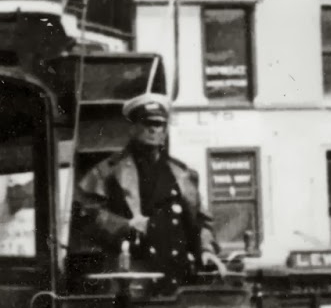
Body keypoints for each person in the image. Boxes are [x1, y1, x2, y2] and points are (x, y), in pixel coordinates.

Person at [69, 93, 224, 284]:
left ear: (165, 131)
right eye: (146, 123)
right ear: (132, 129)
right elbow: (87, 217)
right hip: (132, 275)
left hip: (180, 277)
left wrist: (206, 250)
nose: (152, 130)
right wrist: (126, 226)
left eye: (158, 124)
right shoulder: (107, 172)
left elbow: (201, 221)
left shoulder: (183, 174)